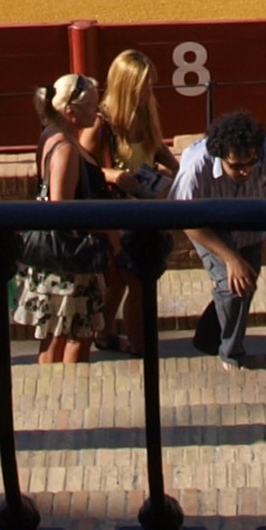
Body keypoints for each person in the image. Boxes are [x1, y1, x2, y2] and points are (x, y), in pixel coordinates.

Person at [174, 110, 266, 369]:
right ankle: (231, 355)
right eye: (236, 166)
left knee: (242, 284)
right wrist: (230, 258)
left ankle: (207, 338)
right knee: (234, 285)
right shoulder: (196, 166)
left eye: (251, 163)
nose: (246, 171)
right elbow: (183, 217)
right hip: (207, 224)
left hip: (250, 224)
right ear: (219, 157)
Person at [17, 73, 111, 363]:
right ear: (71, 112)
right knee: (74, 336)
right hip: (71, 262)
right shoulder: (67, 149)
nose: (98, 111)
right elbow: (62, 209)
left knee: (55, 334)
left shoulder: (50, 135)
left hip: (57, 258)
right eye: (92, 105)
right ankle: (69, 392)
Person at [88, 48, 172, 343]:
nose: (150, 90)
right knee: (135, 281)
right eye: (144, 85)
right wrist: (112, 175)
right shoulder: (103, 121)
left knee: (122, 281)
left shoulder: (146, 111)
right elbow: (82, 168)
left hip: (145, 210)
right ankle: (139, 343)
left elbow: (156, 147)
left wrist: (176, 167)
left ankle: (105, 333)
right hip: (116, 213)